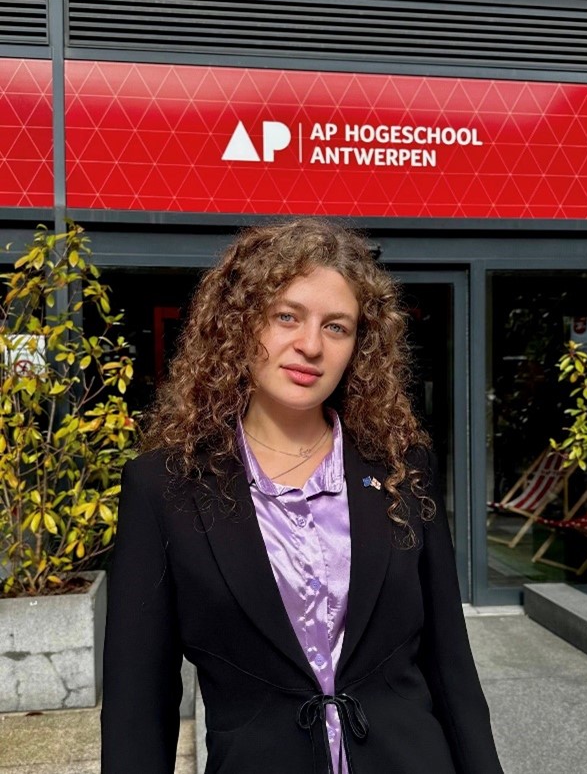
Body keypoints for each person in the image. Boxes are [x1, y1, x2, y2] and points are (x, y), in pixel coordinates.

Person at [100, 218, 504, 774]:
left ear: (359, 345)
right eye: (286, 316)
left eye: (336, 327)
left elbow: (450, 662)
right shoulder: (165, 486)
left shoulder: (401, 468)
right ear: (239, 322)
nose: (310, 346)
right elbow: (137, 705)